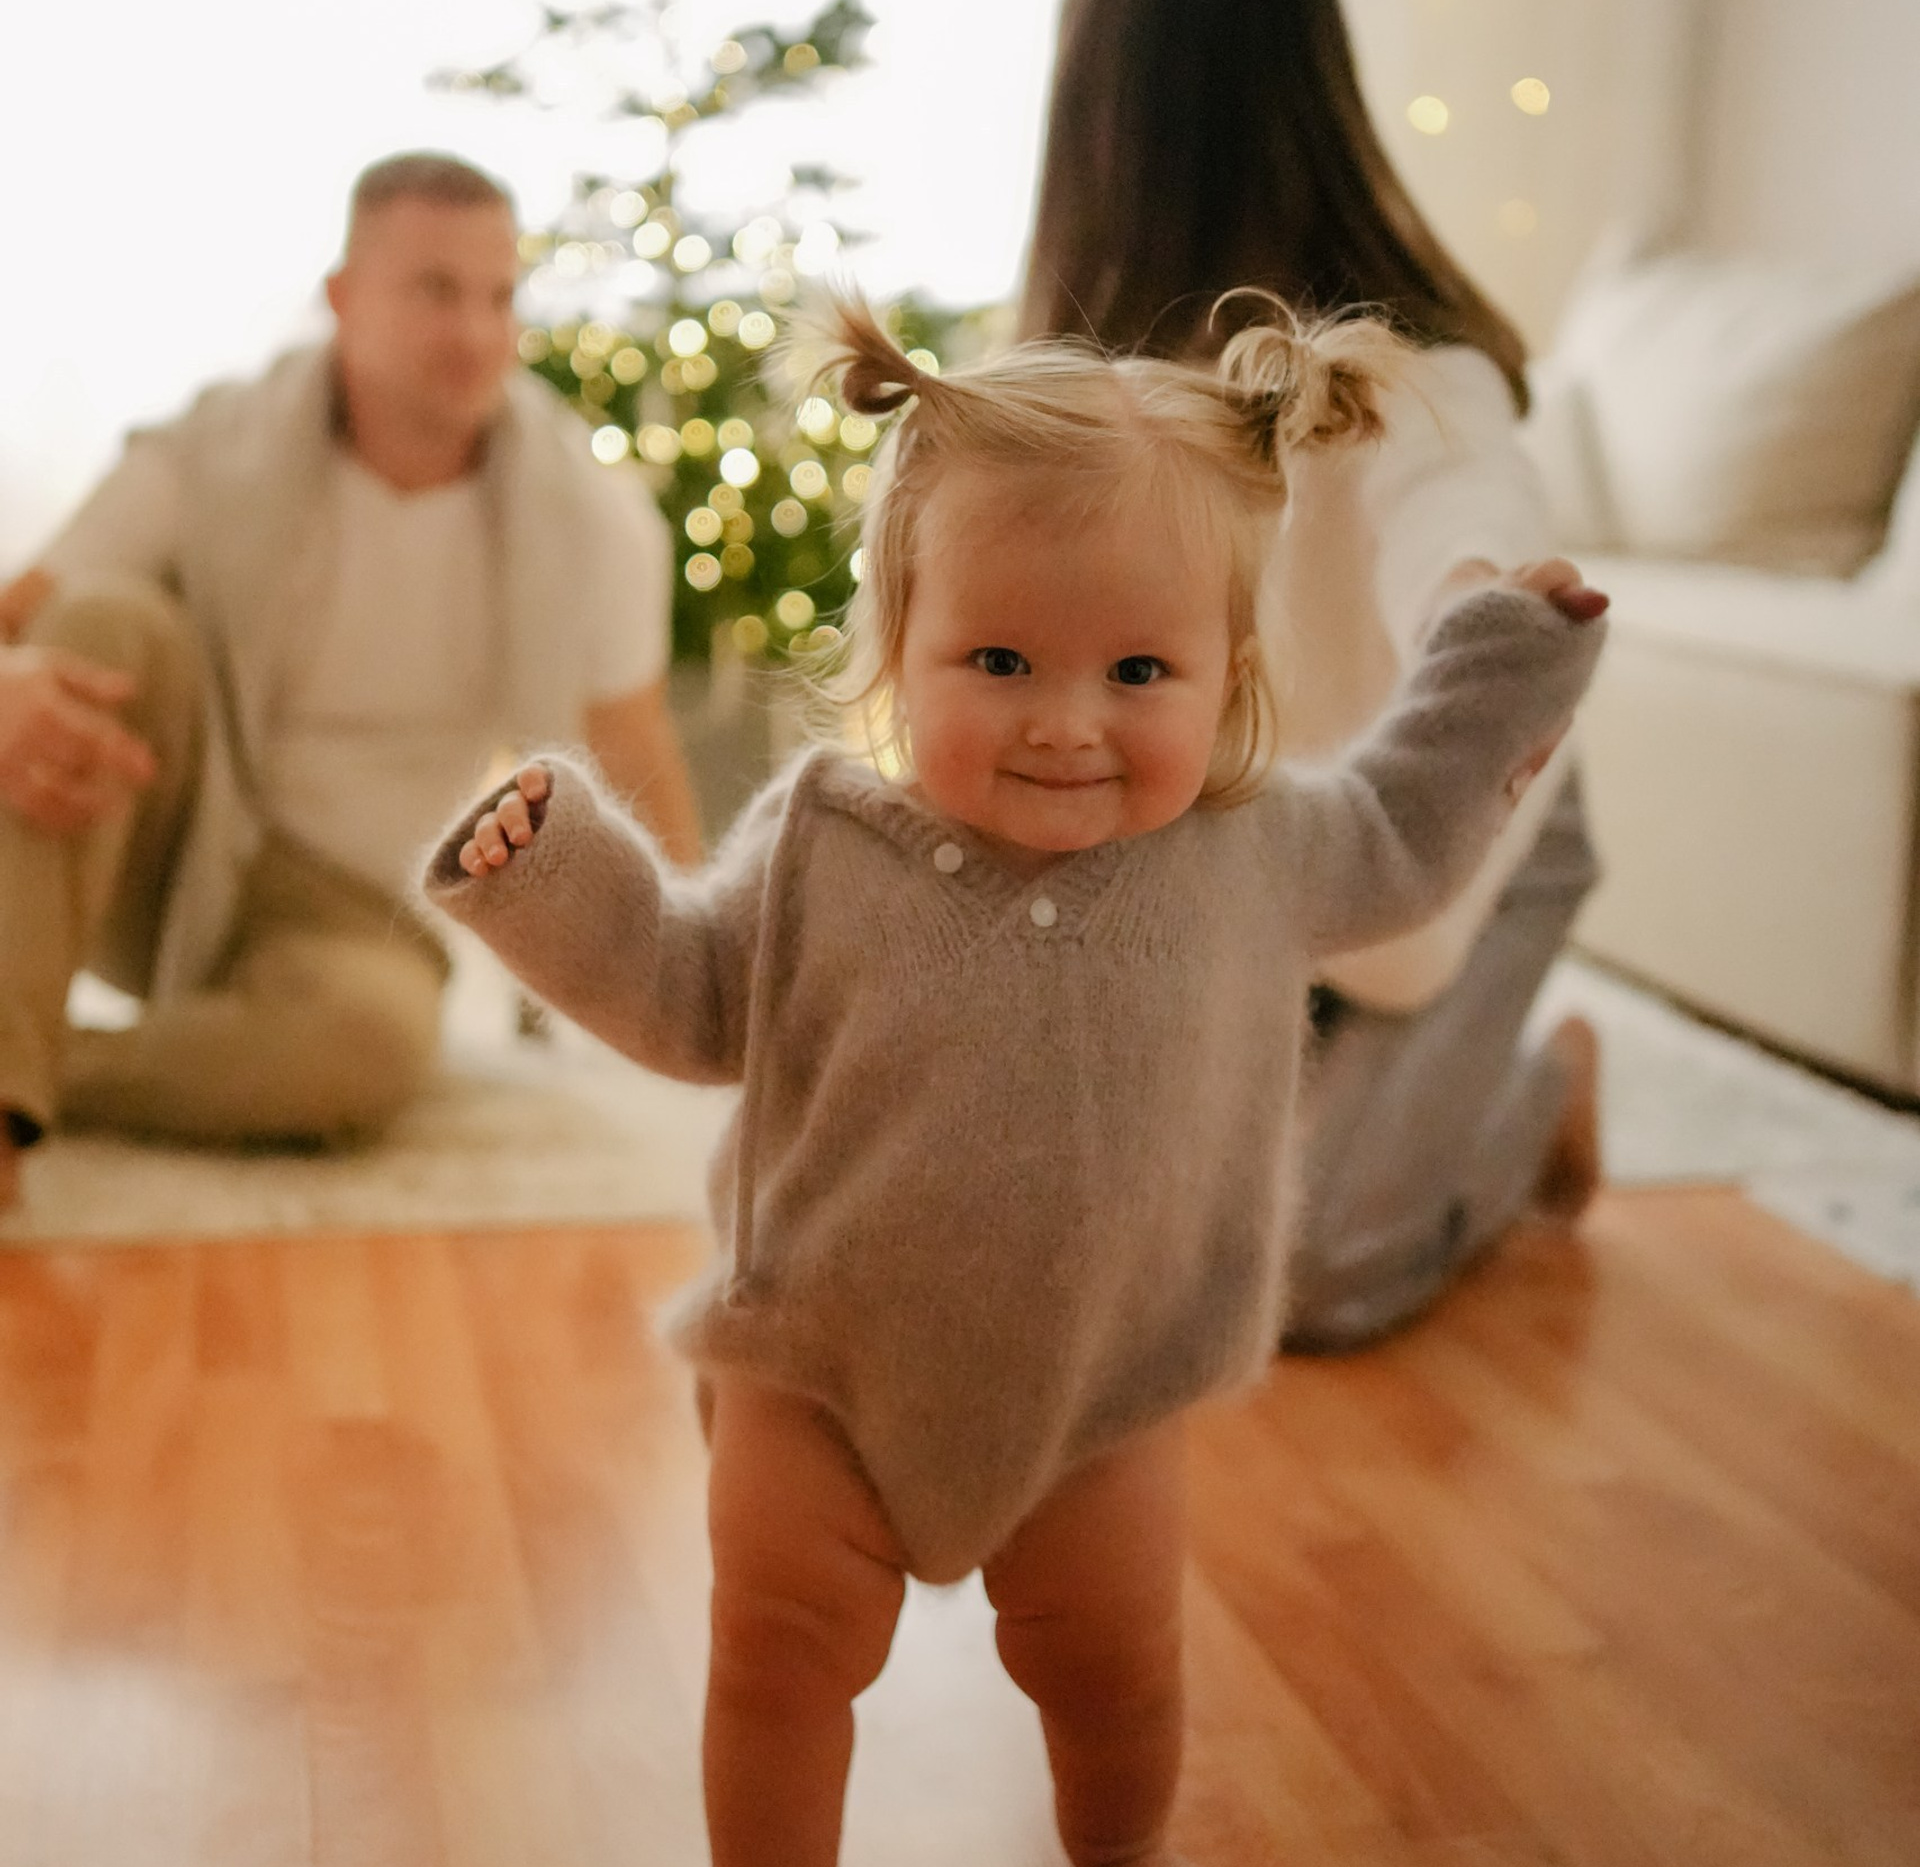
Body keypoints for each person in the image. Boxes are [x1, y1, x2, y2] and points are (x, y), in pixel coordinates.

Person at [418, 295, 1607, 1867]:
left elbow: (1405, 827)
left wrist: (1499, 662)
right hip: (817, 1361)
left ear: (1228, 668)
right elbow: (691, 993)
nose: (1066, 722)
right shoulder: (829, 840)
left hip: (1104, 1387)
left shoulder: (1254, 848)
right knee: (779, 1665)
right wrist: (553, 871)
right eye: (997, 658)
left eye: (1137, 668)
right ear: (898, 651)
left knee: (1112, 1680)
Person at [1020, 0, 1605, 1351]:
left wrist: (1484, 610)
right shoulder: (1094, 400)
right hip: (1251, 889)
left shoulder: (1406, 380)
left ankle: (1544, 1098)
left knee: (1313, 1276)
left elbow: (1459, 519)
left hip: (1452, 844)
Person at [0, 151, 703, 1212]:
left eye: (498, 296)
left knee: (366, 1050)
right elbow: (22, 620)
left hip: (354, 913)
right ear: (341, 297)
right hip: (176, 836)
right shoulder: (212, 449)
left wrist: (711, 981)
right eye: (434, 290)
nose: (474, 333)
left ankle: (39, 1079)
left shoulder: (589, 521)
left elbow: (631, 751)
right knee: (98, 626)